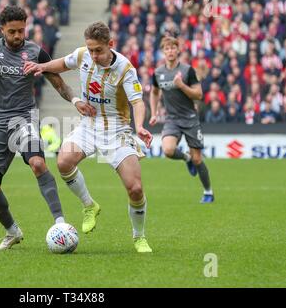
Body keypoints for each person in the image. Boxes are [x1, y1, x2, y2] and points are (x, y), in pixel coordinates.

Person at [0, 5, 95, 251]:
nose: (18, 36)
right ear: (2, 30)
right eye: (12, 32)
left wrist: (75, 100)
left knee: (38, 163)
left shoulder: (36, 52)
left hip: (24, 119)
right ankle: (12, 231)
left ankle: (60, 223)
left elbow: (59, 83)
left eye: (21, 30)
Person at [24, 21, 154, 253]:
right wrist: (41, 66)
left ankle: (139, 236)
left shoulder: (126, 69)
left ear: (110, 45)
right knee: (63, 162)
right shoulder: (83, 55)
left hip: (117, 130)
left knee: (135, 188)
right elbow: (63, 64)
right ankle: (89, 206)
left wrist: (141, 126)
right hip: (89, 125)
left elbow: (137, 102)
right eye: (90, 49)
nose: (93, 55)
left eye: (98, 50)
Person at [149, 36, 214, 203]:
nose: (170, 51)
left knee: (198, 159)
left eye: (173, 48)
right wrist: (154, 112)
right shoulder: (158, 73)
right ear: (163, 52)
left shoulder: (187, 71)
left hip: (191, 119)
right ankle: (186, 158)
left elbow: (199, 95)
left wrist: (181, 85)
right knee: (168, 150)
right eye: (167, 48)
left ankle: (208, 192)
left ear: (178, 51)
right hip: (172, 119)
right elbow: (154, 92)